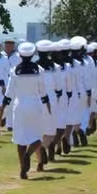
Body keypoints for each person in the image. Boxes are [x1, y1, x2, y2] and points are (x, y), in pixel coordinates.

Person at [3, 42, 51, 179]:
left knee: (20, 138)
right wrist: (48, 107)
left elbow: (9, 92)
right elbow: (43, 92)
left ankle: (22, 170)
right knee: (37, 137)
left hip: (19, 106)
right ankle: (28, 155)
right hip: (35, 105)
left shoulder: (14, 70)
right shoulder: (39, 70)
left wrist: (3, 108)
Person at [34, 40, 61, 171]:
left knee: (38, 130)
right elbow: (59, 87)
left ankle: (39, 156)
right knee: (50, 131)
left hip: (37, 100)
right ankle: (44, 147)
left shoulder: (33, 67)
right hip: (51, 100)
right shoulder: (55, 67)